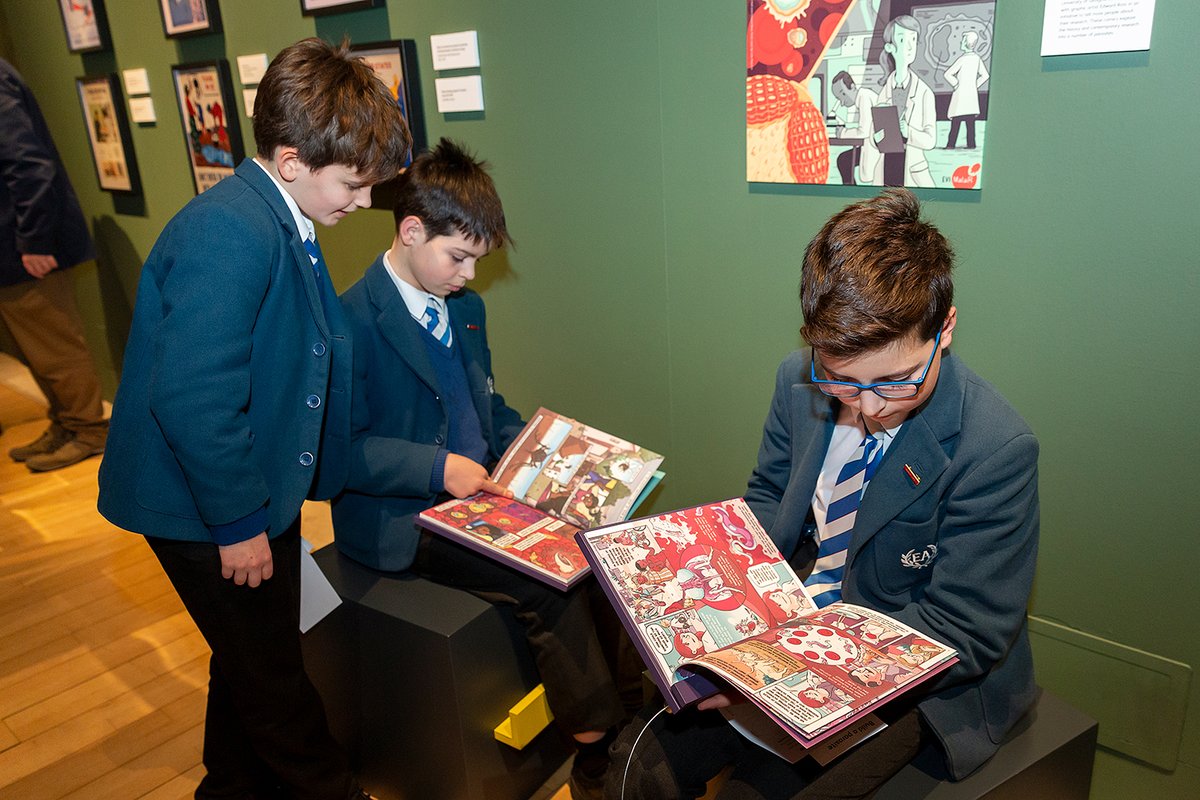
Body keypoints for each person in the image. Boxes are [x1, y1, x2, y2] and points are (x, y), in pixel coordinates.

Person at [606, 189, 1039, 799]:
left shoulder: (995, 449)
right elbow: (768, 498)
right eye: (840, 379)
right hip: (794, 622)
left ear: (945, 328)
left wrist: (784, 672)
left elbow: (963, 630)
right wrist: (709, 592)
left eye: (894, 381)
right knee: (635, 765)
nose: (867, 407)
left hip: (917, 674)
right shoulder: (796, 380)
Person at [97, 38, 410, 800]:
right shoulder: (228, 231)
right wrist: (238, 522)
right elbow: (193, 399)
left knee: (245, 657)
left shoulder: (282, 217)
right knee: (275, 683)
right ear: (294, 157)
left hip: (252, 493)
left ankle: (226, 787)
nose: (363, 202)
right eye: (353, 184)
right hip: (210, 506)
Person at [332, 138, 625, 800]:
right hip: (406, 517)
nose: (467, 274)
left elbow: (484, 406)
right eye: (457, 257)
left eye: (475, 260)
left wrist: (548, 450)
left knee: (600, 542)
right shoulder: (349, 322)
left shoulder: (463, 308)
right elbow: (340, 453)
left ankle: (621, 711)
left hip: (479, 495)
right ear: (410, 231)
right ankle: (595, 751)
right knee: (547, 582)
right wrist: (441, 469)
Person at [0, 57, 109, 472]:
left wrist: (33, 239)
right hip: (12, 248)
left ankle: (88, 430)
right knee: (36, 350)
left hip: (25, 247)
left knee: (56, 348)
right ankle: (66, 423)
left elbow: (28, 165)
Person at [875, 15, 936, 187]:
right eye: (902, 40)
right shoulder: (884, 91)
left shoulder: (924, 93)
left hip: (913, 170)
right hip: (887, 167)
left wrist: (908, 131)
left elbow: (931, 141)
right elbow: (876, 137)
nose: (910, 47)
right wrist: (876, 138)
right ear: (890, 47)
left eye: (913, 40)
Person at [829, 71, 880, 186]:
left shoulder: (864, 98)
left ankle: (850, 191)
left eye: (843, 94)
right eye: (838, 98)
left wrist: (843, 133)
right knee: (844, 160)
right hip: (874, 146)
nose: (842, 102)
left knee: (844, 160)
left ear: (852, 87)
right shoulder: (864, 97)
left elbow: (864, 131)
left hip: (877, 148)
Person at [944, 30, 990, 150]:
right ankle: (971, 144)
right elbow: (985, 75)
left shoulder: (963, 59)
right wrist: (975, 85)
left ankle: (951, 144)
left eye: (962, 40)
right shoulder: (977, 59)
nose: (961, 42)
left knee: (956, 123)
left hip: (961, 96)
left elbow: (948, 73)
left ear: (966, 43)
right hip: (970, 96)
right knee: (970, 123)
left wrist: (956, 84)